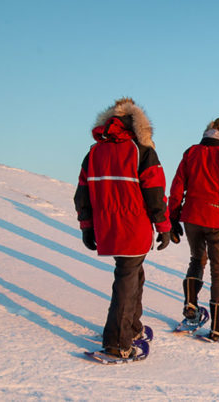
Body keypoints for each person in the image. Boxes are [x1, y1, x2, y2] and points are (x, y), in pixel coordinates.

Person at [74, 97, 171, 358]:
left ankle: (132, 327)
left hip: (108, 228)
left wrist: (87, 226)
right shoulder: (141, 151)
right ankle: (117, 343)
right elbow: (155, 193)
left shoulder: (94, 152)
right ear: (139, 128)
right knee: (126, 281)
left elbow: (82, 193)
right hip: (133, 226)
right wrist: (164, 226)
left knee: (133, 273)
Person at [168, 117, 219, 341]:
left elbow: (177, 186)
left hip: (192, 216)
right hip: (217, 219)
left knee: (196, 259)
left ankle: (191, 306)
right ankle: (217, 327)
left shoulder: (191, 152)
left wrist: (173, 216)